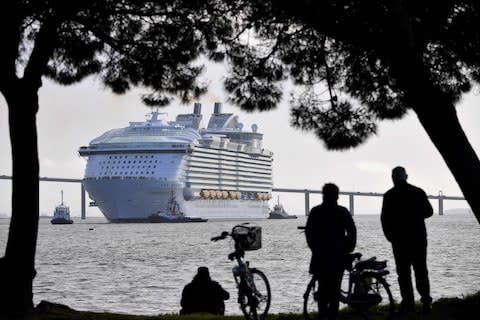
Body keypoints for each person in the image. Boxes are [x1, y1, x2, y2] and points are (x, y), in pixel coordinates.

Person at [381, 166, 433, 314]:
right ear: (406, 176)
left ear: (393, 178)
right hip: (418, 239)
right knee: (421, 271)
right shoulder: (418, 192)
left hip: (399, 241)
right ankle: (426, 302)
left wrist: (390, 237)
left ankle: (408, 304)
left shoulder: (389, 196)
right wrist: (416, 215)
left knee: (403, 273)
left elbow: (384, 219)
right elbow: (429, 212)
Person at [305, 183, 357, 320]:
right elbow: (352, 230)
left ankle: (323, 315)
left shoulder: (316, 211)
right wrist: (349, 248)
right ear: (337, 196)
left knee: (322, 289)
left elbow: (309, 233)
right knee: (335, 289)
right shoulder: (343, 211)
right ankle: (333, 315)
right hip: (338, 256)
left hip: (320, 256)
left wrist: (315, 249)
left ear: (323, 195)